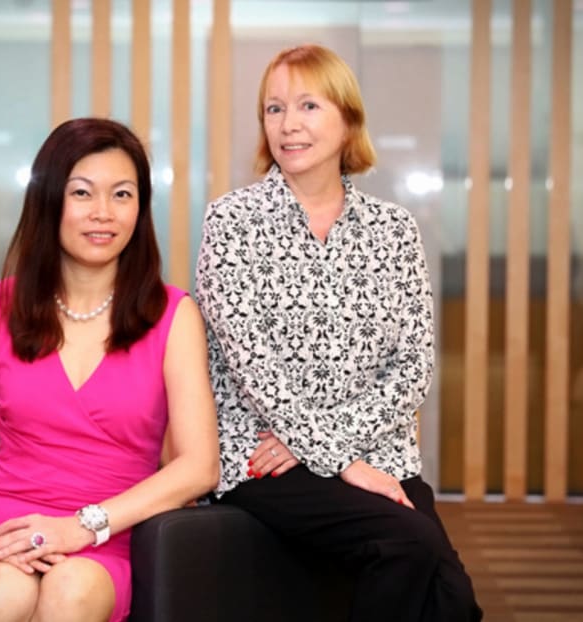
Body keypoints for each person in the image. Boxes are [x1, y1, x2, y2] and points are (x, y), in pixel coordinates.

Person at [0, 117, 219, 622]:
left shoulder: (174, 316)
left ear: (141, 208)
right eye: (82, 193)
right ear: (49, 202)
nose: (103, 213)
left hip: (113, 532)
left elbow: (199, 466)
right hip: (5, 528)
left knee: (72, 588)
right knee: (2, 591)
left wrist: (83, 527)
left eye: (123, 195)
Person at [195, 44, 482, 621]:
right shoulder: (231, 221)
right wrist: (339, 459)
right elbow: (254, 371)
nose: (288, 124)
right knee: (407, 543)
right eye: (273, 109)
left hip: (376, 449)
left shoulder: (394, 230)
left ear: (348, 119)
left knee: (453, 603)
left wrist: (334, 443)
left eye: (308, 105)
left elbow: (414, 367)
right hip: (262, 458)